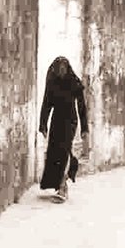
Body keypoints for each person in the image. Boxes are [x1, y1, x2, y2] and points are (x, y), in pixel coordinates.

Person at [39, 56, 89, 203]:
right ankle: (60, 182)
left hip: (70, 121)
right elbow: (46, 104)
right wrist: (43, 125)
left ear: (67, 69)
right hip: (56, 121)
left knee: (64, 150)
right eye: (59, 68)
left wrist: (84, 129)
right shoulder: (52, 83)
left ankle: (62, 187)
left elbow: (82, 108)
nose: (61, 71)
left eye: (64, 68)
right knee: (55, 152)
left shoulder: (74, 82)